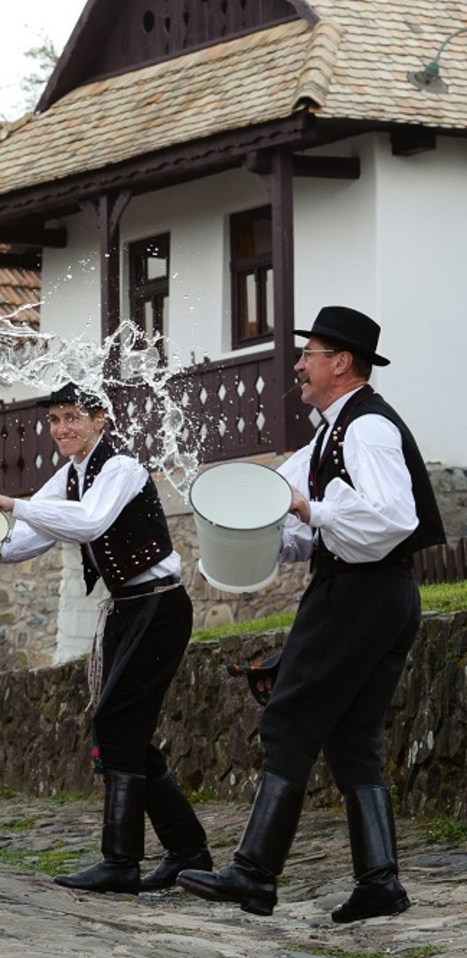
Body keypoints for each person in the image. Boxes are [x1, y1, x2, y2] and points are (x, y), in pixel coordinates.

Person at [179, 306, 444, 922]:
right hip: (378, 594)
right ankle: (380, 883)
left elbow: (391, 520)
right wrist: (287, 525)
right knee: (353, 739)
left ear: (341, 363)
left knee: (289, 721)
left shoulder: (368, 429)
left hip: (358, 594)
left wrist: (311, 512)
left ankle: (253, 875)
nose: (299, 365)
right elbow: (301, 516)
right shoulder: (331, 432)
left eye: (310, 354)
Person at [0, 383, 208, 895]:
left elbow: (88, 522)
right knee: (126, 732)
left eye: (72, 417)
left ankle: (121, 863)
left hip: (160, 606)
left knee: (114, 720)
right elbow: (30, 539)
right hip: (127, 610)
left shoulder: (120, 468)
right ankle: (190, 853)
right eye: (55, 419)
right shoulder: (71, 474)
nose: (61, 429)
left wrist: (15, 502)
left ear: (100, 418)